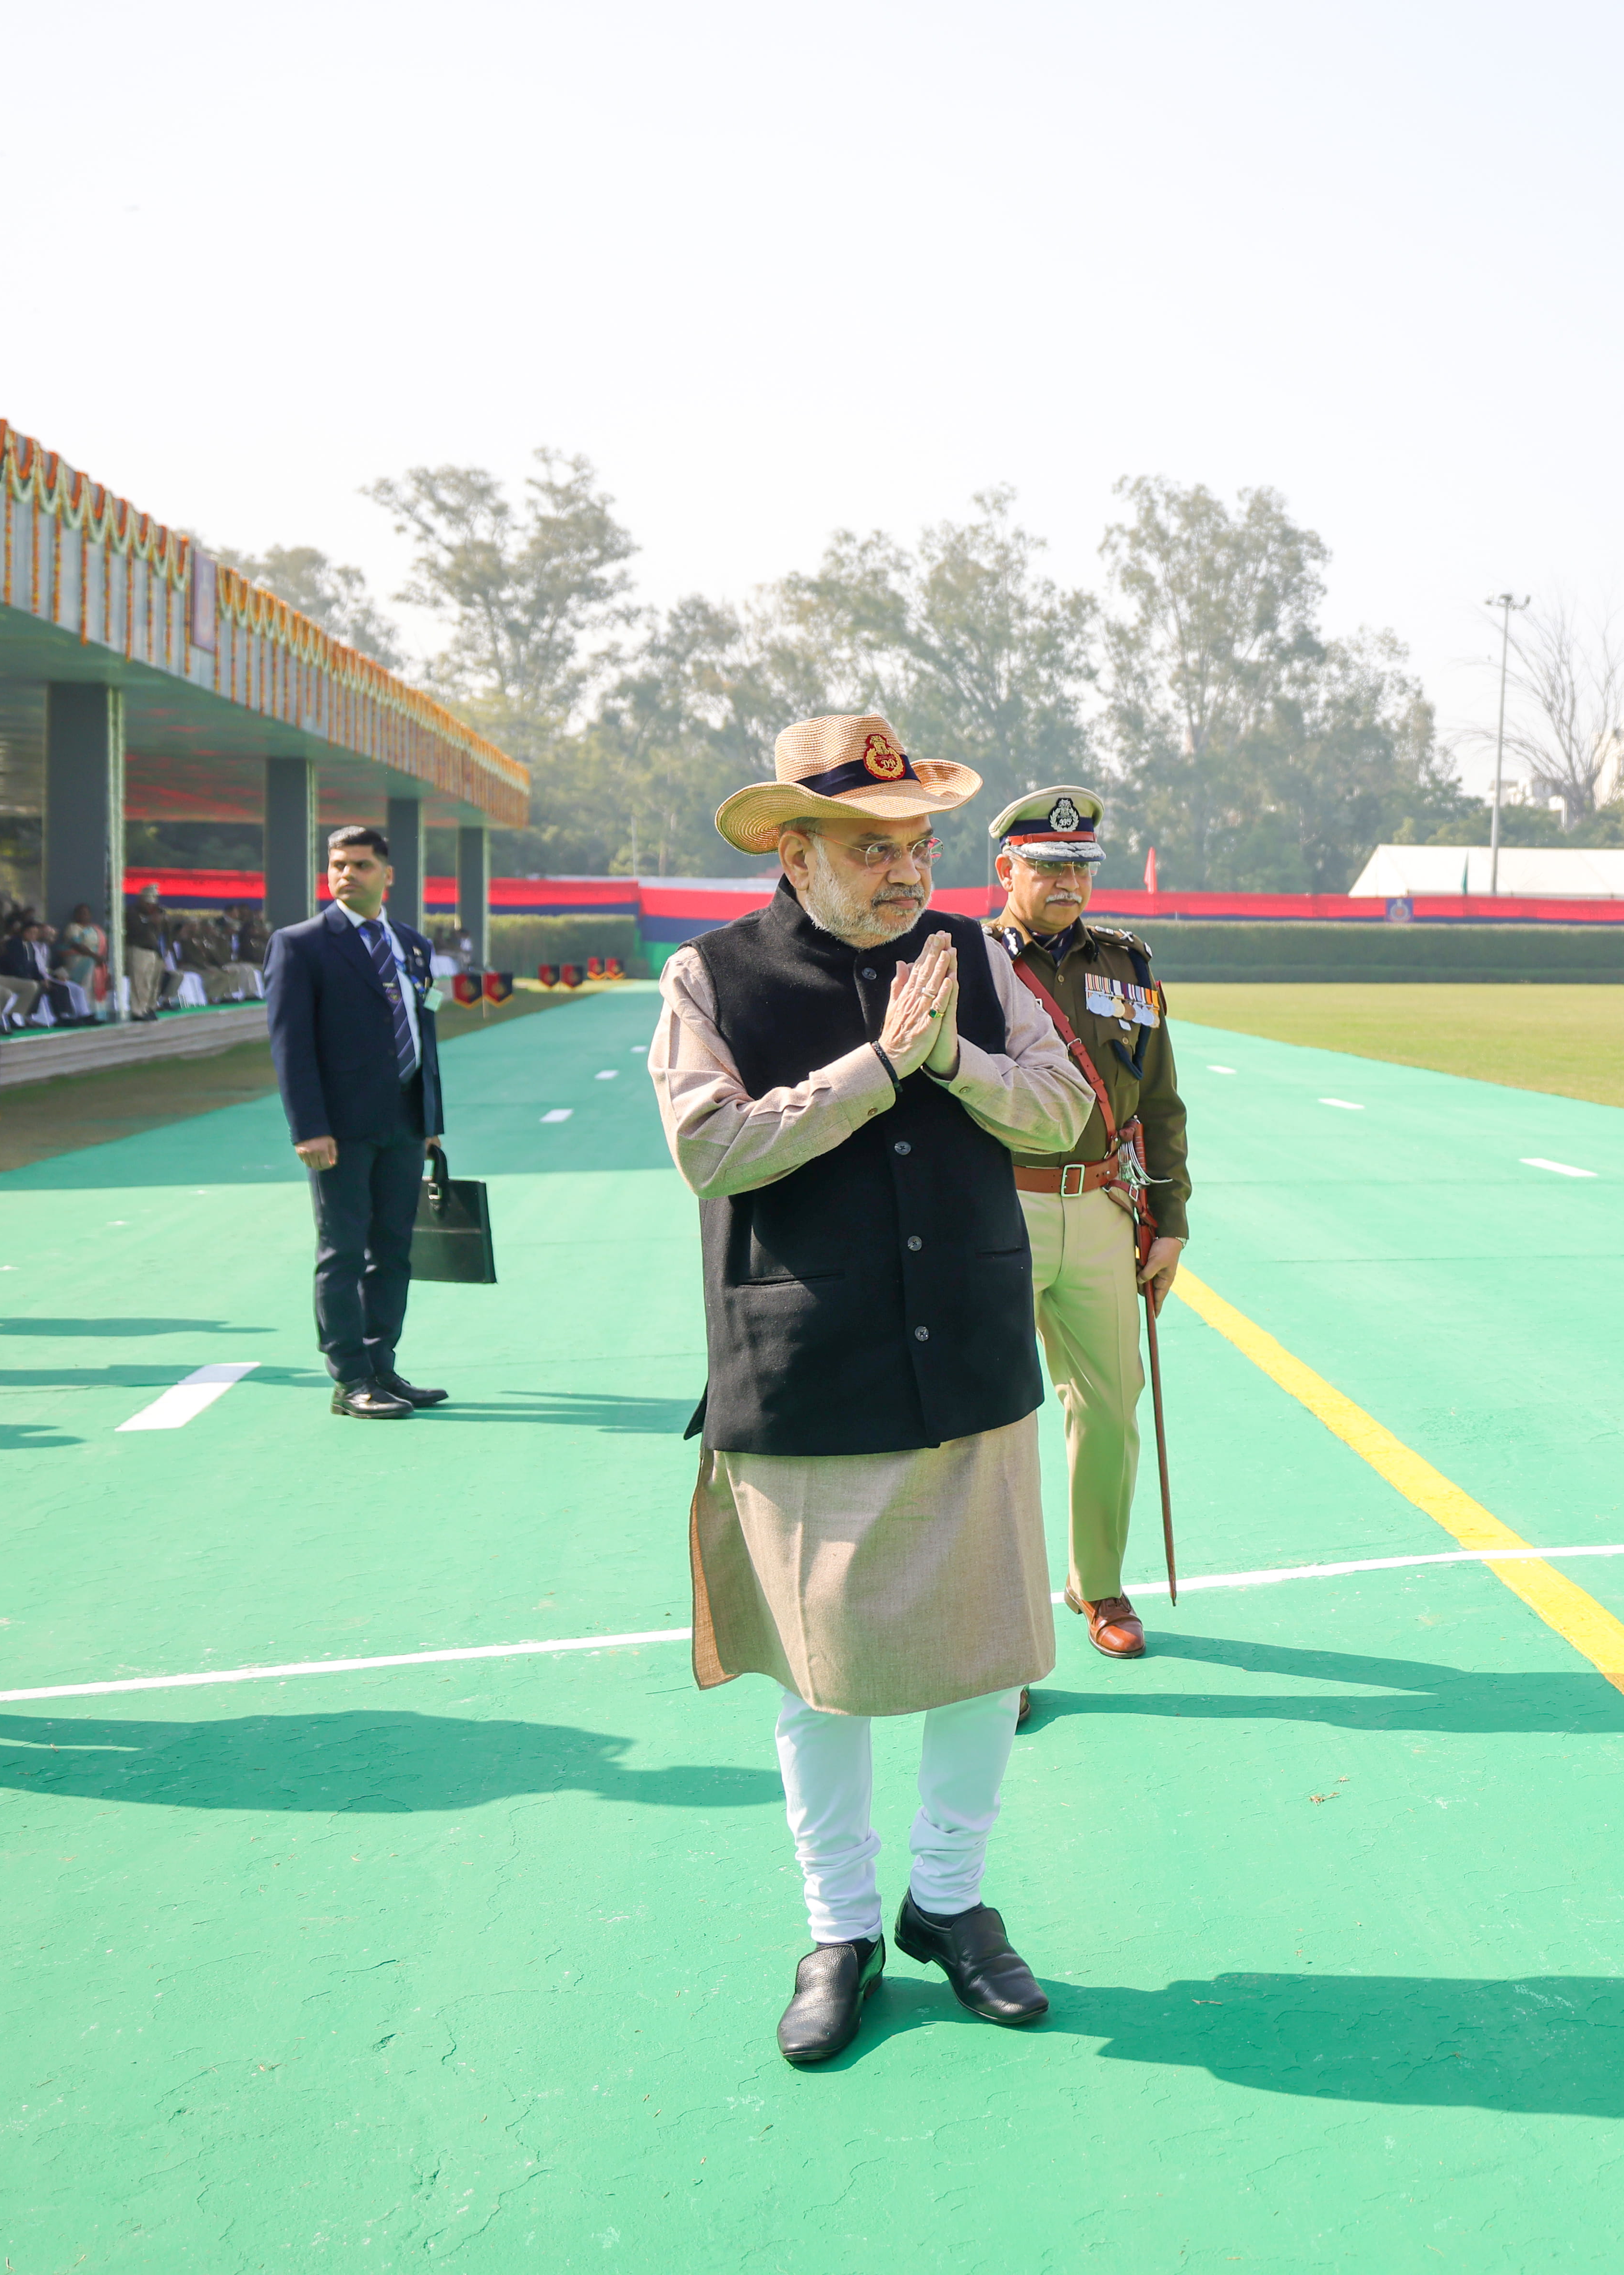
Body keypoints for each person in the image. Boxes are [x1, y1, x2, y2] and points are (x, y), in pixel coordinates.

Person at [654, 714, 1095, 2066]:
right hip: (806, 1373)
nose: (906, 870)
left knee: (985, 1656)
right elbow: (711, 1149)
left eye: (916, 843)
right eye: (871, 845)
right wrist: (876, 1070)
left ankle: (948, 1903)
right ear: (793, 850)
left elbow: (1064, 1108)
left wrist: (950, 1055)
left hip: (964, 1355)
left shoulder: (968, 961)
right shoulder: (709, 975)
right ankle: (838, 1925)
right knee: (823, 1678)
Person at [980, 785, 1190, 1662]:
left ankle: (1095, 1583)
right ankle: (993, 1626)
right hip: (995, 1208)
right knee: (988, 1421)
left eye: (1080, 866)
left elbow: (1162, 1100)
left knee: (1111, 1406)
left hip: (1104, 1207)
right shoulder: (966, 961)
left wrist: (1169, 1217)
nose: (1068, 880)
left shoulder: (1127, 966)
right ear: (1007, 869)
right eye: (1049, 864)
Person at [265, 826, 449, 1419]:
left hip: (402, 1122)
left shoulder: (412, 945)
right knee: (342, 1251)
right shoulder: (300, 945)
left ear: (388, 875)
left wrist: (430, 1120)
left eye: (362, 865)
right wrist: (307, 1128)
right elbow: (290, 1047)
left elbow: (426, 1033)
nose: (347, 874)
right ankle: (349, 1379)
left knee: (393, 1250)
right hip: (338, 1131)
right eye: (339, 864)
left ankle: (382, 1365)